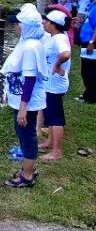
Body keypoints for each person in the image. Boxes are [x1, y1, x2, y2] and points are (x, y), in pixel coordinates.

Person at [2, 7, 47, 187]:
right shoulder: (27, 41)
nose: (15, 26)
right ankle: (30, 167)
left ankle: (27, 176)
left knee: (27, 135)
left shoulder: (30, 47)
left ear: (26, 26)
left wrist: (23, 108)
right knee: (23, 133)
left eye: (18, 23)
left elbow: (29, 79)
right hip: (21, 97)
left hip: (26, 100)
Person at [39, 10, 71, 161]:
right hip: (50, 84)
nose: (44, 23)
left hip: (54, 85)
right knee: (51, 115)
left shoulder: (59, 39)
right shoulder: (55, 37)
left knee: (55, 116)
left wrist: (57, 65)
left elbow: (65, 54)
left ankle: (57, 151)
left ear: (54, 24)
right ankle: (50, 142)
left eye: (46, 21)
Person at [77, 0, 96, 103]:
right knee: (86, 69)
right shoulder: (92, 5)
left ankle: (90, 97)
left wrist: (91, 41)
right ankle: (88, 93)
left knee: (90, 69)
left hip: (91, 42)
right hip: (87, 41)